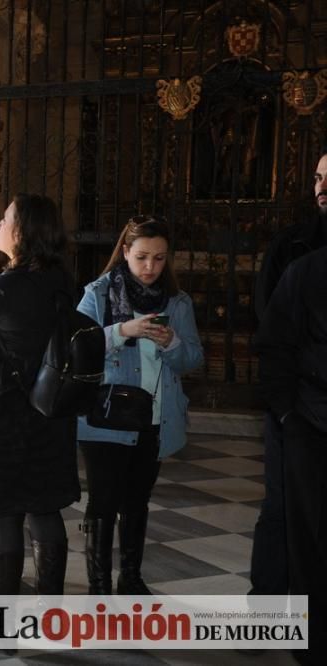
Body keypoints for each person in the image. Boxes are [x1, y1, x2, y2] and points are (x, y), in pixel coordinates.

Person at [0, 194, 80, 645]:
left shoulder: (3, 289)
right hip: (49, 414)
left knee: (5, 516)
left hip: (4, 415)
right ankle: (51, 624)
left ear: (22, 232)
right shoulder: (64, 282)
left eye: (5, 219)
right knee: (45, 509)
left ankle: (2, 628)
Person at [76, 216, 203, 595]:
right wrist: (121, 331)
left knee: (137, 501)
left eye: (160, 259)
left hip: (155, 419)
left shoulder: (178, 302)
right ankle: (98, 586)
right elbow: (77, 349)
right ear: (125, 252)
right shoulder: (98, 294)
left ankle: (130, 578)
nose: (151, 267)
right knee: (103, 501)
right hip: (106, 417)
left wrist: (172, 343)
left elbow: (193, 359)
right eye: (142, 257)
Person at [249, 151, 327, 598]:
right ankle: (267, 617)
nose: (321, 187)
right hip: (296, 413)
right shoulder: (291, 247)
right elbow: (269, 325)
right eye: (317, 178)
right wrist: (286, 412)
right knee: (280, 513)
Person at [257, 248, 327, 665]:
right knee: (308, 539)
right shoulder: (306, 270)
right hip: (311, 426)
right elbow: (274, 345)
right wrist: (288, 415)